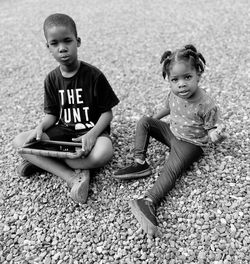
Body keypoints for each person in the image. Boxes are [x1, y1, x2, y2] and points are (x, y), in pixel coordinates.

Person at [113, 44, 226, 236]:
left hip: (191, 144)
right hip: (172, 132)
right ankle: (140, 162)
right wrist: (151, 124)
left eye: (187, 77)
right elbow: (167, 108)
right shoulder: (174, 92)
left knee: (170, 169)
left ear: (198, 74)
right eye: (175, 79)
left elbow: (211, 131)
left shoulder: (206, 104)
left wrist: (216, 135)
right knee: (144, 121)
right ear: (169, 81)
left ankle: (148, 201)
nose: (181, 84)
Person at [13, 13, 119, 204]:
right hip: (64, 133)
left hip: (90, 134)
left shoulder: (94, 76)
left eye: (67, 41)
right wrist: (40, 127)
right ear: (48, 47)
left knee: (104, 152)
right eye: (54, 44)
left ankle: (45, 162)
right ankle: (73, 176)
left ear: (77, 42)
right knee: (21, 142)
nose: (62, 48)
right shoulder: (51, 79)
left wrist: (93, 134)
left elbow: (107, 113)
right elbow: (52, 115)